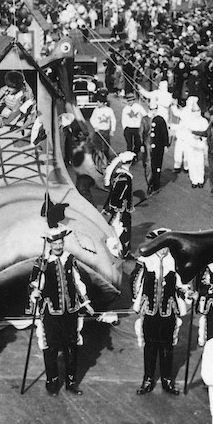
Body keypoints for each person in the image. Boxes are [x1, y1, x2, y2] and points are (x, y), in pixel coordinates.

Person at [28, 225, 93, 395]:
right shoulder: (41, 262)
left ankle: (71, 382)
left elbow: (78, 282)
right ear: (49, 244)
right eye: (55, 243)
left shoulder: (70, 259)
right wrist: (34, 290)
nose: (58, 246)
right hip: (51, 311)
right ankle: (52, 382)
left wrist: (85, 302)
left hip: (70, 310)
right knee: (51, 347)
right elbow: (35, 283)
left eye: (61, 243)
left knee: (71, 346)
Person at [130, 229, 190, 395]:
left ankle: (167, 380)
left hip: (168, 311)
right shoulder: (145, 260)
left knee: (167, 346)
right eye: (160, 245)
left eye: (166, 245)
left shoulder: (176, 262)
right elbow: (135, 281)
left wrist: (188, 293)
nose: (163, 249)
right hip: (149, 311)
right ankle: (148, 379)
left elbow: (181, 285)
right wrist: (140, 301)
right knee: (149, 346)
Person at [102, 151, 136, 257]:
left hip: (119, 208)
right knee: (121, 229)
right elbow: (118, 195)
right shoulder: (125, 177)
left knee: (117, 229)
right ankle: (121, 252)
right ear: (130, 163)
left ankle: (120, 250)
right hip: (120, 210)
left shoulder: (119, 174)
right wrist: (118, 208)